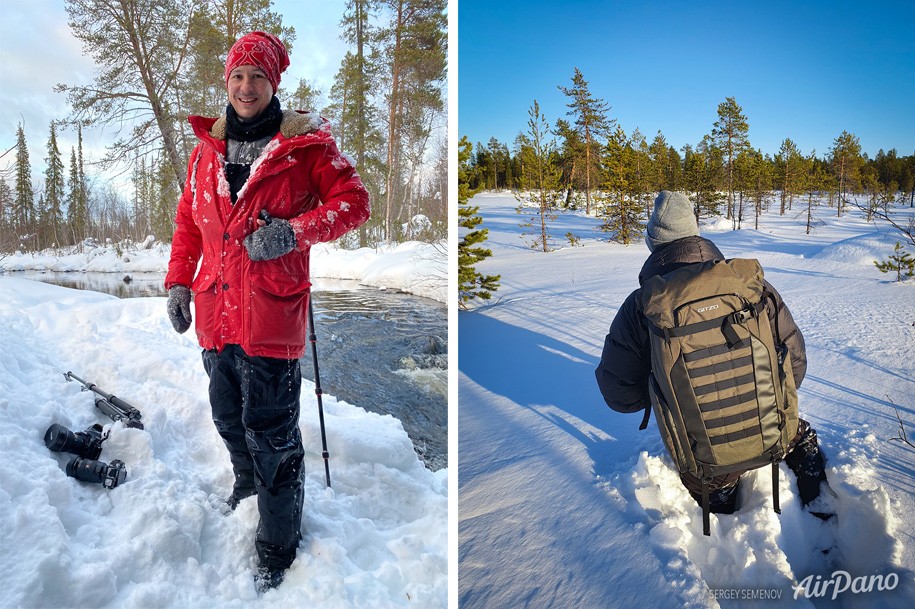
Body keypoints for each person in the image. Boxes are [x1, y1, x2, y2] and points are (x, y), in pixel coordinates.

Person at [164, 31, 370, 591]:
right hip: (215, 312)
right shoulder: (204, 152)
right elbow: (188, 223)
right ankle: (246, 483)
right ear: (226, 82)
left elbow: (354, 204)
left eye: (257, 76)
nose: (246, 86)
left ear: (273, 82)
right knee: (228, 416)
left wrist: (293, 234)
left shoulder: (307, 147)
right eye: (237, 76)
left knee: (273, 434)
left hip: (271, 318)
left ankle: (278, 545)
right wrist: (179, 281)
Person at [595, 190, 828, 518]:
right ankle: (822, 505)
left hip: (703, 458)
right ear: (696, 234)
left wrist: (661, 388)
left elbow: (619, 397)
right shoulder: (749, 286)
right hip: (774, 430)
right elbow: (796, 362)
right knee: (797, 434)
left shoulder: (642, 306)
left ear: (653, 244)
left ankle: (725, 519)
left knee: (709, 479)